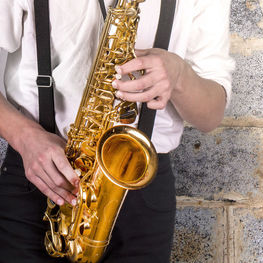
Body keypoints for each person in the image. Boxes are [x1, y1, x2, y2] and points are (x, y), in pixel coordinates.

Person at [0, 0, 234, 262]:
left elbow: (210, 116)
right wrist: (24, 136)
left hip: (139, 184)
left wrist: (179, 76)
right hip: (38, 174)